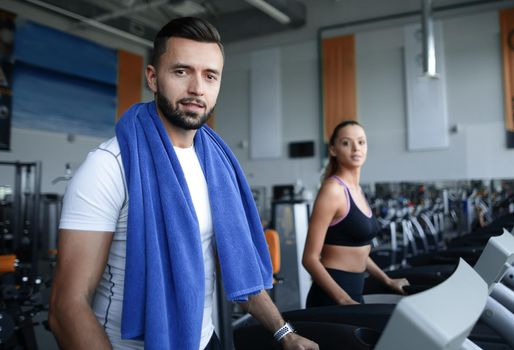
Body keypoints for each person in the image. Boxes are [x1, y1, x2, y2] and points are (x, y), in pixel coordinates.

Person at [48, 17, 318, 350]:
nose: (196, 88)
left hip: (204, 340)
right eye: (181, 71)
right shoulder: (108, 167)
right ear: (153, 78)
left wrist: (284, 334)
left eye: (210, 75)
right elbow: (66, 307)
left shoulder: (217, 164)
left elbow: (237, 269)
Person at [302, 120, 409, 307]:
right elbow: (310, 259)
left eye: (361, 142)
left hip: (353, 294)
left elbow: (359, 253)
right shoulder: (333, 191)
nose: (355, 148)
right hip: (332, 298)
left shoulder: (357, 191)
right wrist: (343, 299)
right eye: (346, 143)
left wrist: (387, 280)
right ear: (333, 149)